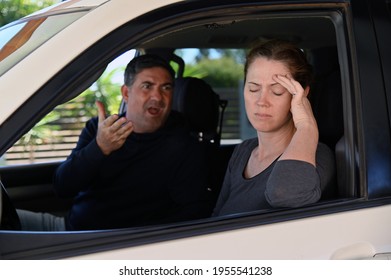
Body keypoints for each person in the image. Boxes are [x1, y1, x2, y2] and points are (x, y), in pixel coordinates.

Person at [53, 54, 212, 230]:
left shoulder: (184, 146)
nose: (158, 97)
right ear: (126, 93)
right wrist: (99, 148)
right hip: (67, 229)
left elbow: (194, 213)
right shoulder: (101, 129)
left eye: (166, 88)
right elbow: (63, 187)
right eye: (147, 86)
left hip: (115, 246)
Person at [212, 39, 336, 216]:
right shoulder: (243, 151)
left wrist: (306, 125)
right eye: (253, 89)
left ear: (301, 95)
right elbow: (217, 215)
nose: (261, 101)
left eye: (277, 91)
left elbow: (285, 194)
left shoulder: (317, 156)